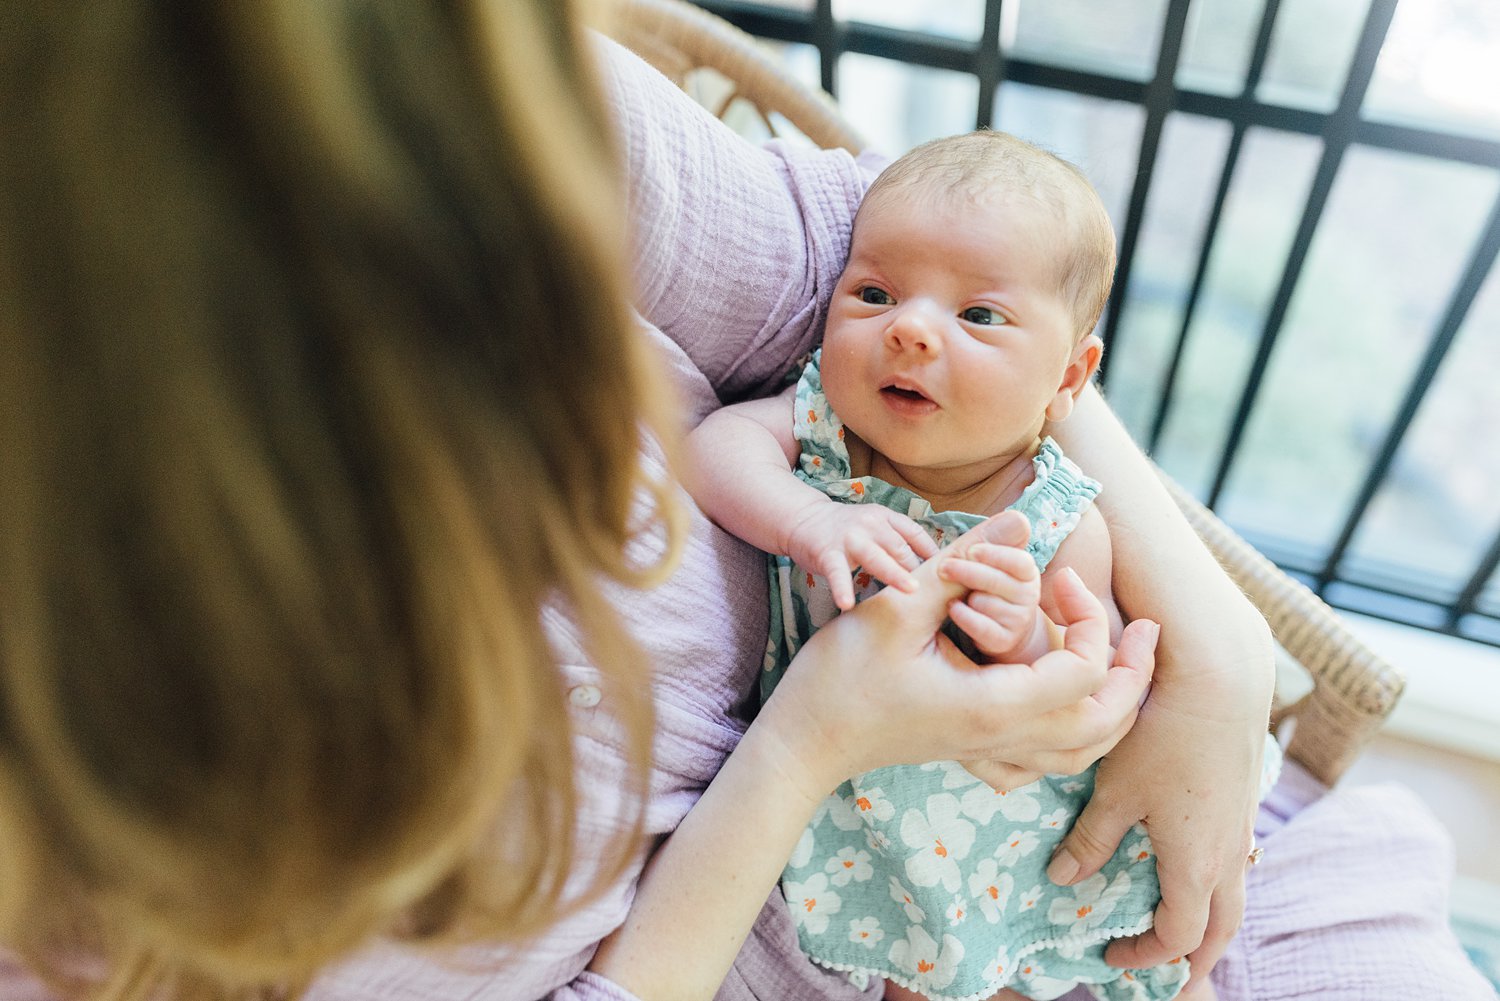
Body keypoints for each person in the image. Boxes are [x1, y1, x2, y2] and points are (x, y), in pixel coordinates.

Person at [0, 4, 1491, 1001]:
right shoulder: (100, 826)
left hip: (1157, 859)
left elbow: (890, 240)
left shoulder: (380, 82)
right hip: (881, 944)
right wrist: (824, 726)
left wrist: (1209, 658)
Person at [685, 129, 1282, 1001]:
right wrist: (808, 517)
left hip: (999, 829)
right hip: (858, 799)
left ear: (1069, 379)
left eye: (979, 315)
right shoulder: (820, 424)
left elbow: (1090, 675)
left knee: (1012, 957)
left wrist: (1026, 636)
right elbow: (714, 449)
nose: (911, 329)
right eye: (876, 292)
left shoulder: (1056, 513)